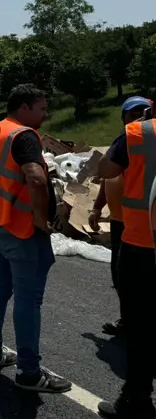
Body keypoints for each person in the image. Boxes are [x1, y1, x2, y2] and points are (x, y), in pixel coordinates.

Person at [0, 84, 71, 394]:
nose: (46, 113)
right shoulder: (23, 136)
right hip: (22, 230)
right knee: (28, 299)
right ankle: (28, 372)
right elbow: (36, 178)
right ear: (24, 107)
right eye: (41, 108)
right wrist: (39, 218)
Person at [96, 98, 156, 418]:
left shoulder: (138, 134)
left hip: (141, 247)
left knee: (141, 327)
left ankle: (136, 399)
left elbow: (105, 169)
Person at [88, 95, 152, 337]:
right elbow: (107, 178)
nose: (136, 118)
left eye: (141, 113)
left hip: (139, 225)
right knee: (120, 276)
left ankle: (139, 326)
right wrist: (96, 207)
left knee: (137, 281)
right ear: (123, 117)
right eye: (131, 115)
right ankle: (128, 320)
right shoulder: (125, 144)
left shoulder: (144, 143)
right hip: (119, 221)